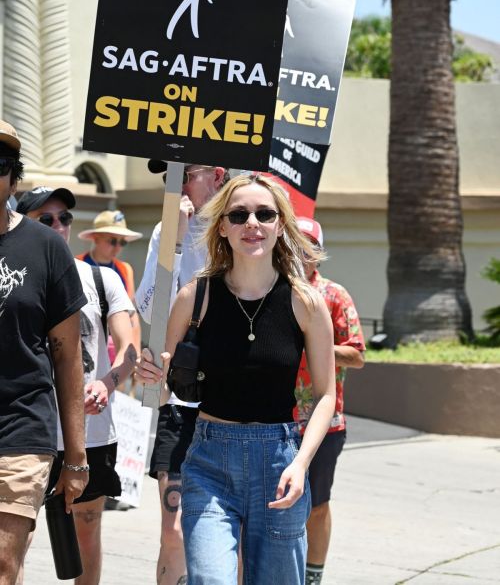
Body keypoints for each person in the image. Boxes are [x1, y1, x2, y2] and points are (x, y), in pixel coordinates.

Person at [141, 173, 337, 585]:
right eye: (239, 214)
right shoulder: (195, 296)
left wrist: (301, 464)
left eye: (264, 214)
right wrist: (153, 375)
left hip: (281, 462)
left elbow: (324, 396)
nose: (253, 223)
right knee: (211, 579)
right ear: (223, 227)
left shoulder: (305, 302)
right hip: (210, 461)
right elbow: (164, 388)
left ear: (279, 224)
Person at [17, 187, 137, 585]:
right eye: (46, 219)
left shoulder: (103, 280)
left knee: (85, 543)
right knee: (14, 543)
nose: (58, 226)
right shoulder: (14, 275)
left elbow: (130, 350)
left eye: (64, 218)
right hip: (26, 431)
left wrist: (108, 381)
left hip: (92, 435)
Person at [0, 121, 88, 584]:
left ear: (13, 178)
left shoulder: (46, 248)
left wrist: (75, 456)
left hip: (20, 425)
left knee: (1, 564)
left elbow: (67, 356)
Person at [135, 161, 227, 585]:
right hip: (181, 399)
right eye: (170, 176)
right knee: (173, 530)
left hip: (233, 401)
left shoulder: (241, 224)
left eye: (187, 173)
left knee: (234, 531)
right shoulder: (165, 230)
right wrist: (172, 244)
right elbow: (150, 311)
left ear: (218, 175)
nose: (178, 184)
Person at [295, 217, 366, 585]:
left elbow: (357, 355)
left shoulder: (334, 295)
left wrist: (315, 344)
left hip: (324, 422)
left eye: (306, 245)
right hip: (273, 420)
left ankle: (312, 576)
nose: (298, 251)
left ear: (318, 254)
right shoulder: (271, 291)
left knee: (317, 505)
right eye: (292, 242)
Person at [76, 209, 142, 362]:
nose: (118, 247)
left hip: (118, 350)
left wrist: (136, 354)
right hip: (86, 347)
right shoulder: (78, 264)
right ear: (95, 238)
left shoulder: (125, 269)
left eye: (122, 241)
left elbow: (132, 314)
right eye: (112, 241)